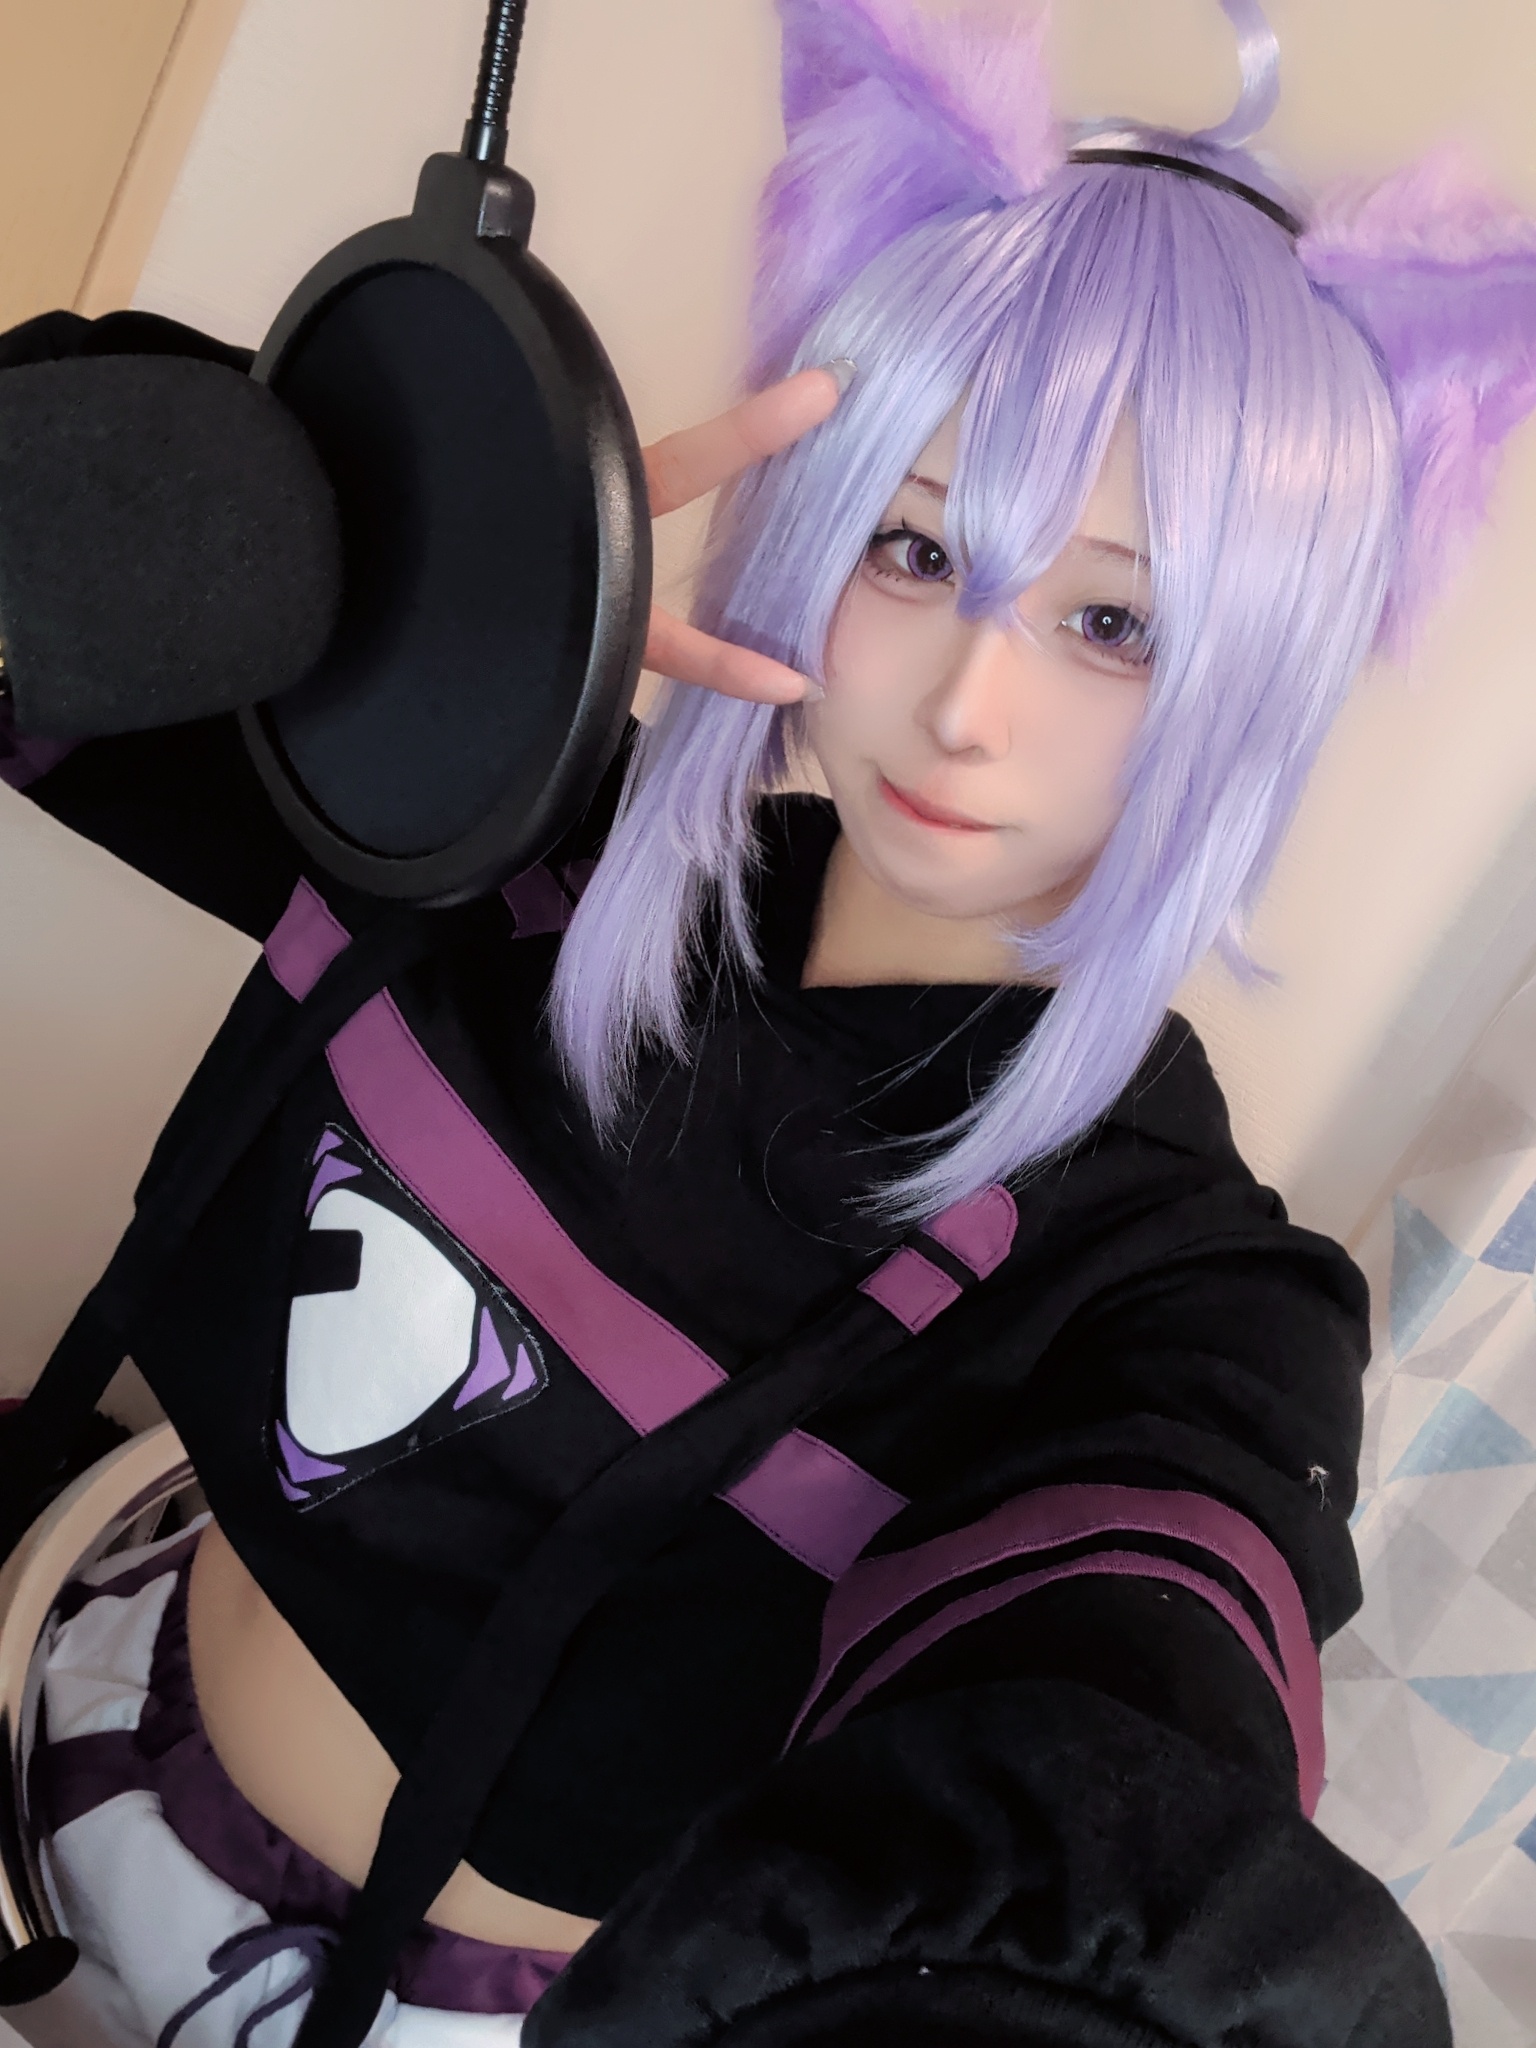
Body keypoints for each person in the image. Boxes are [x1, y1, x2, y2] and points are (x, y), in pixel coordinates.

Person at [5, 0, 1535, 2041]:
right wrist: (412, 570)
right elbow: (45, 605)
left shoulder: (1164, 1287)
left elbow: (1123, 1730)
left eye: (1111, 620)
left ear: (1255, 677)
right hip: (73, 1669)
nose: (968, 703)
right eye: (917, 545)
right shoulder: (519, 822)